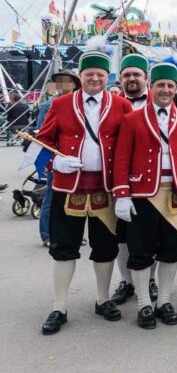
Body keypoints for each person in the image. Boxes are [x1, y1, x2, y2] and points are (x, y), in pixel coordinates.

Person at [36, 51, 133, 335]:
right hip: (68, 188)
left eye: (100, 74)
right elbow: (40, 143)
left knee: (105, 247)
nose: (94, 78)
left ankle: (102, 300)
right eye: (89, 73)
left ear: (107, 77)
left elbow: (128, 146)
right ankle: (59, 306)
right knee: (63, 248)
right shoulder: (61, 104)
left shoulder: (122, 106)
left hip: (106, 189)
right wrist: (55, 162)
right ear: (80, 75)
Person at [113, 62, 177, 330]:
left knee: (171, 250)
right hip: (143, 194)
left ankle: (164, 300)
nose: (165, 90)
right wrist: (122, 195)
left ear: (176, 89)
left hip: (176, 194)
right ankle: (144, 302)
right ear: (150, 87)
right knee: (140, 251)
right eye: (160, 85)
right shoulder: (132, 120)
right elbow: (121, 159)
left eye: (170, 85)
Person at [111, 53, 158, 306]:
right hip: (118, 181)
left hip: (150, 183)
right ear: (120, 78)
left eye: (136, 75)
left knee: (151, 235)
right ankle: (127, 281)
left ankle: (149, 279)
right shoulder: (111, 105)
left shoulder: (160, 103)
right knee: (121, 236)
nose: (132, 79)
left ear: (146, 79)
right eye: (127, 75)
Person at [36, 69, 80, 247]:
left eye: (68, 81)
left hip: (75, 159)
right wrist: (52, 160)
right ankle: (47, 233)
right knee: (52, 196)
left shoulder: (79, 103)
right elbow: (41, 135)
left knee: (72, 198)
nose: (64, 84)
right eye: (60, 81)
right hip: (57, 158)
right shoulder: (50, 105)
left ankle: (70, 233)